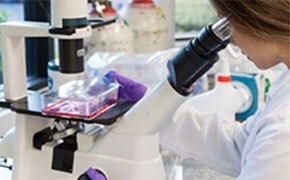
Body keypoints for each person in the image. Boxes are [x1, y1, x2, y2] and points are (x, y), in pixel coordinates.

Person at [160, 0, 290, 179]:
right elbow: (241, 147)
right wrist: (150, 113)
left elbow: (274, 141)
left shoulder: (284, 128)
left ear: (259, 15)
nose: (232, 40)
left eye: (228, 20)